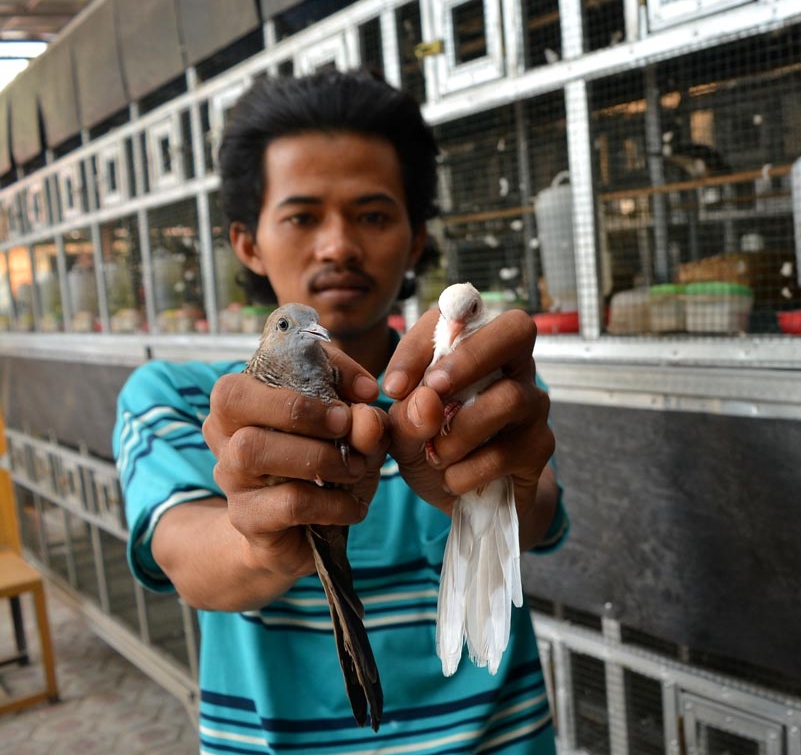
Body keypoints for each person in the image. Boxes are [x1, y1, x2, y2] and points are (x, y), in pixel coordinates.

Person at [113, 70, 567, 754]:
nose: (338, 246)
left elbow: (539, 518)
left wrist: (488, 487)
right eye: (301, 216)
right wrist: (264, 534)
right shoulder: (176, 396)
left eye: (374, 215)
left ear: (416, 240)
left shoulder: (461, 381)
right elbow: (184, 556)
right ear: (247, 242)